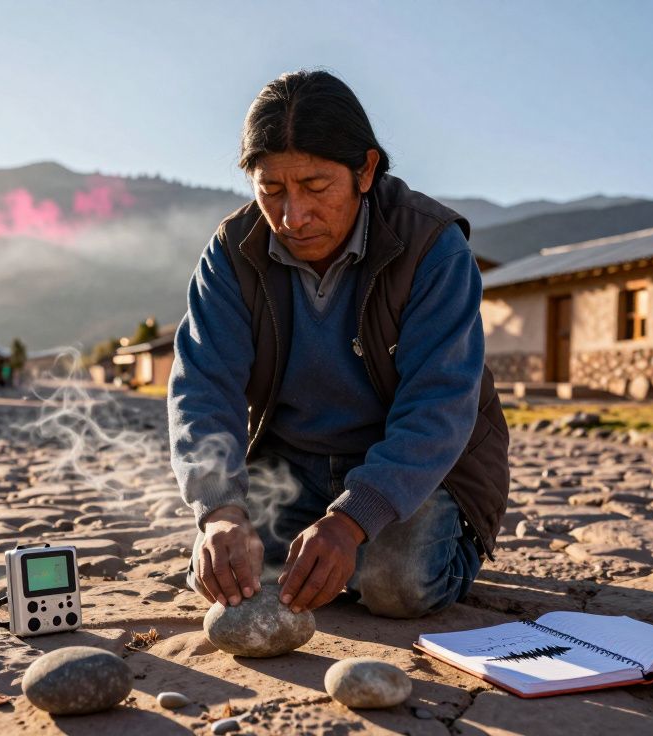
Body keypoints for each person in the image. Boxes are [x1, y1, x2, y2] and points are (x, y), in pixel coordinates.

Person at [168, 70, 510, 620]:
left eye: (316, 187)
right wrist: (220, 510)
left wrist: (351, 520)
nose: (292, 216)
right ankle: (325, 547)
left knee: (397, 585)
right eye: (271, 190)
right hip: (291, 465)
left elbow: (440, 404)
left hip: (416, 469)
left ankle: (449, 544)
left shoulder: (433, 248)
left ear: (366, 170)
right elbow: (204, 386)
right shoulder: (231, 253)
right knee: (228, 569)